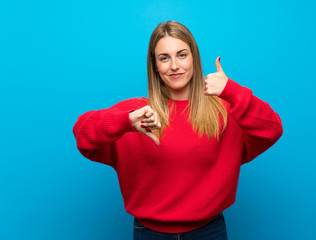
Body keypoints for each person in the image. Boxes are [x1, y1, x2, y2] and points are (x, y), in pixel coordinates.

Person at [73, 21, 283, 240]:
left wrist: (231, 90)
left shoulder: (225, 113)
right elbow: (82, 134)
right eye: (164, 58)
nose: (174, 65)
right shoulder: (137, 113)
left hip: (209, 231)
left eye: (182, 55)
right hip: (149, 233)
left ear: (194, 58)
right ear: (154, 65)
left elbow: (272, 128)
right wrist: (125, 121)